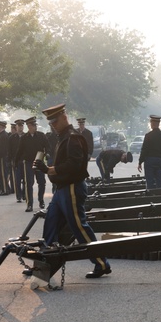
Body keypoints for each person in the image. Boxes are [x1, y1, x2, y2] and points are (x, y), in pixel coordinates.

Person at [37, 103, 110, 279]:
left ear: (64, 117)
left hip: (71, 187)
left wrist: (48, 170)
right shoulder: (64, 137)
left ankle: (101, 263)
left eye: (55, 121)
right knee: (50, 225)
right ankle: (43, 264)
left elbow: (73, 165)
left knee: (80, 227)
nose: (53, 125)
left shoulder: (73, 138)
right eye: (50, 123)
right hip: (62, 188)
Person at [16, 117, 44, 212]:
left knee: (41, 182)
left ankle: (41, 200)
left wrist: (47, 153)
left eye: (35, 125)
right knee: (29, 183)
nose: (35, 127)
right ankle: (29, 204)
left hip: (39, 162)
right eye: (33, 125)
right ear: (29, 126)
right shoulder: (24, 138)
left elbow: (47, 146)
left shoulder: (41, 135)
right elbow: (19, 150)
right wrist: (16, 162)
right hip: (28, 162)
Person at [138, 114, 161, 190]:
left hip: (149, 160)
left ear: (152, 124)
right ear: (158, 124)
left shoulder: (148, 135)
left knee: (150, 181)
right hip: (159, 160)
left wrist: (140, 162)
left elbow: (144, 149)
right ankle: (160, 197)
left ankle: (150, 196)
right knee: (160, 181)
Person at [8, 119, 24, 202]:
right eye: (19, 126)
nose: (20, 128)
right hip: (16, 161)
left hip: (24, 161)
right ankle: (19, 196)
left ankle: (25, 194)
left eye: (21, 126)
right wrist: (10, 160)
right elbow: (9, 150)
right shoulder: (12, 138)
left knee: (26, 180)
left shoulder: (26, 136)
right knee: (17, 179)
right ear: (16, 127)